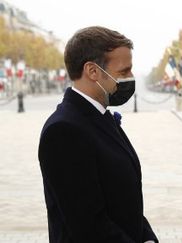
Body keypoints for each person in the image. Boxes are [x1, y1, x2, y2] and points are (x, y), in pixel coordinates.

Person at [38, 26, 158, 243]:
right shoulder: (64, 131)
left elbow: (124, 201)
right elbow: (89, 226)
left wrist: (147, 237)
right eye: (124, 71)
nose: (130, 77)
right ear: (93, 71)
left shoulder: (99, 115)